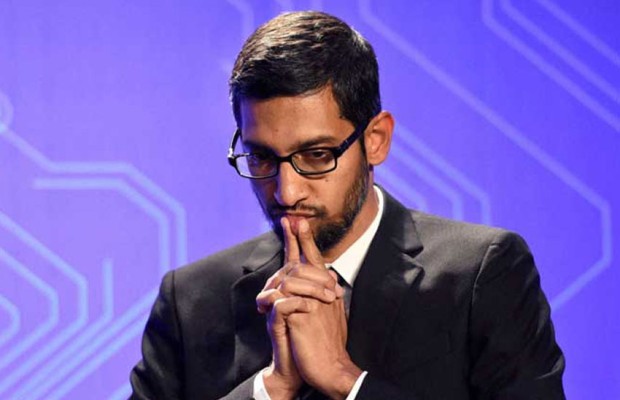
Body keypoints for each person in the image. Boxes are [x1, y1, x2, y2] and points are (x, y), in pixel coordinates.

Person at [129, 11, 565, 400]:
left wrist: (345, 380)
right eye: (261, 157)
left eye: (317, 155)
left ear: (376, 140)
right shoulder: (191, 300)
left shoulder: (481, 275)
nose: (286, 192)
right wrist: (271, 389)